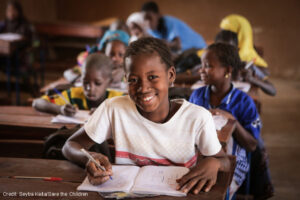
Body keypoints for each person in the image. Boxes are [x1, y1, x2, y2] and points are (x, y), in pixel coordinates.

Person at [62, 37, 230, 194]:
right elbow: (71, 145)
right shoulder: (113, 109)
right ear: (125, 80)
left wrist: (214, 163)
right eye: (133, 80)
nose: (143, 88)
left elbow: (225, 161)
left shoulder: (197, 118)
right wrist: (91, 158)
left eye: (152, 77)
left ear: (170, 76)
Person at [189, 43, 262, 199]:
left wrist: (233, 123)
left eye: (208, 66)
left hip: (231, 160)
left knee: (216, 187)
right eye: (201, 65)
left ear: (228, 70)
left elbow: (252, 145)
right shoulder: (197, 96)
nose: (201, 70)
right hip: (199, 153)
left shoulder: (244, 102)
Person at [40, 30, 130, 93]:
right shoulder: (94, 66)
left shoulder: (127, 72)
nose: (115, 58)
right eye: (111, 54)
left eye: (120, 55)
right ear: (103, 53)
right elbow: (70, 74)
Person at [32, 53, 123, 116]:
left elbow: (135, 111)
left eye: (97, 83)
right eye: (85, 82)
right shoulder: (74, 94)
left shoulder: (118, 99)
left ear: (109, 82)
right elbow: (37, 103)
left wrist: (108, 113)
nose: (90, 88)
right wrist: (60, 109)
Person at [216, 14, 276, 96]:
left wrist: (251, 79)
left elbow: (273, 91)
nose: (225, 52)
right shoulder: (215, 61)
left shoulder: (246, 65)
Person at [141, 1, 206, 53]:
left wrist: (163, 44)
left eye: (150, 18)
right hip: (185, 52)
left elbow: (177, 45)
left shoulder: (168, 22)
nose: (148, 22)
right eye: (145, 19)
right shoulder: (151, 30)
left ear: (158, 15)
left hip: (199, 49)